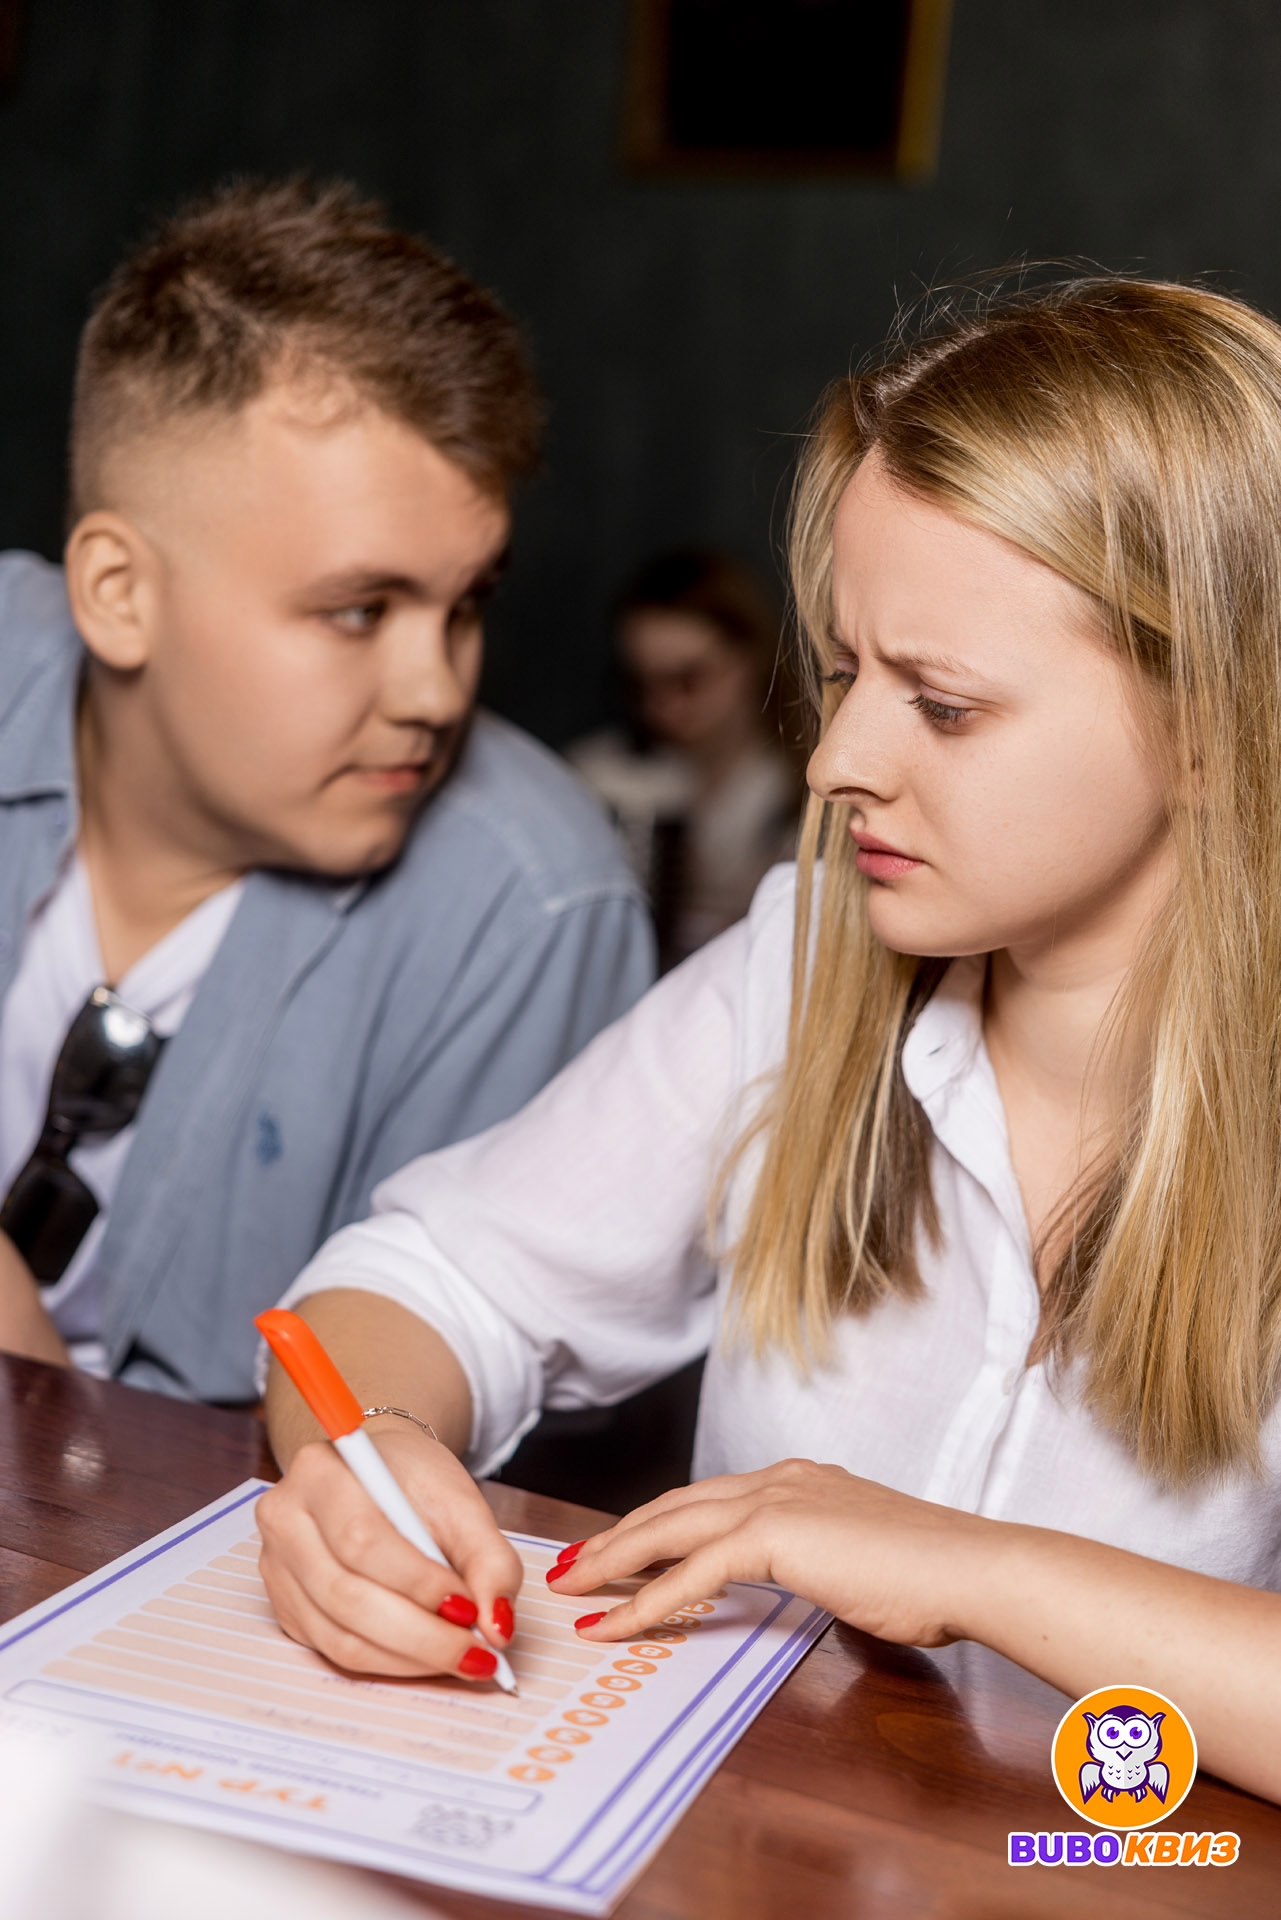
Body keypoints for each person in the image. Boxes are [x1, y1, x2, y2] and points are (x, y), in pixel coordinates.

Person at [256, 280, 1281, 1801]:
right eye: (848, 671)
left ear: (1213, 727)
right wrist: (373, 1456)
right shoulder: (804, 967)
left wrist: (970, 1568)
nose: (839, 758)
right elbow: (427, 1281)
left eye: (944, 705)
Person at [0, 178, 653, 1400]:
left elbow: (411, 1422)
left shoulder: (532, 911)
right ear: (118, 594)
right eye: (359, 610)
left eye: (466, 604)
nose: (437, 691)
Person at [569, 550, 801, 968]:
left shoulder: (802, 788)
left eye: (689, 679)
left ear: (749, 658)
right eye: (643, 683)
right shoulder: (595, 775)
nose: (666, 705)